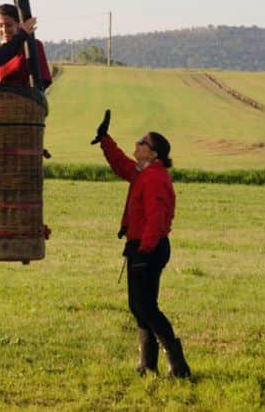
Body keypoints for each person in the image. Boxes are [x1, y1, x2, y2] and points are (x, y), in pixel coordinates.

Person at [91, 109, 191, 379]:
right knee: (140, 305)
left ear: (154, 154)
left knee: (146, 306)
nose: (137, 144)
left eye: (142, 142)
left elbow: (157, 217)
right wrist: (105, 140)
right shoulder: (142, 173)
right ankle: (147, 364)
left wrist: (144, 249)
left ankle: (177, 365)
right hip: (143, 247)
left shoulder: (155, 178)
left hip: (150, 248)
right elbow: (122, 164)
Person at [0, 3, 52, 88]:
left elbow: (42, 81)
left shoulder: (33, 46)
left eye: (9, 25)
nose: (4, 29)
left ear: (18, 25)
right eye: (0, 25)